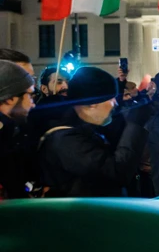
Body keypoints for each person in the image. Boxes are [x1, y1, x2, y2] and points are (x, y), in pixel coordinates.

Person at [38, 66, 152, 197]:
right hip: (82, 215)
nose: (115, 103)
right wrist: (134, 125)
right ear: (91, 103)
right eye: (110, 98)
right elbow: (116, 173)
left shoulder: (89, 129)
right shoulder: (66, 140)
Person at [0, 60, 37, 200]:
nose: (32, 104)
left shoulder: (12, 132)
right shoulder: (4, 137)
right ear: (10, 98)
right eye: (30, 95)